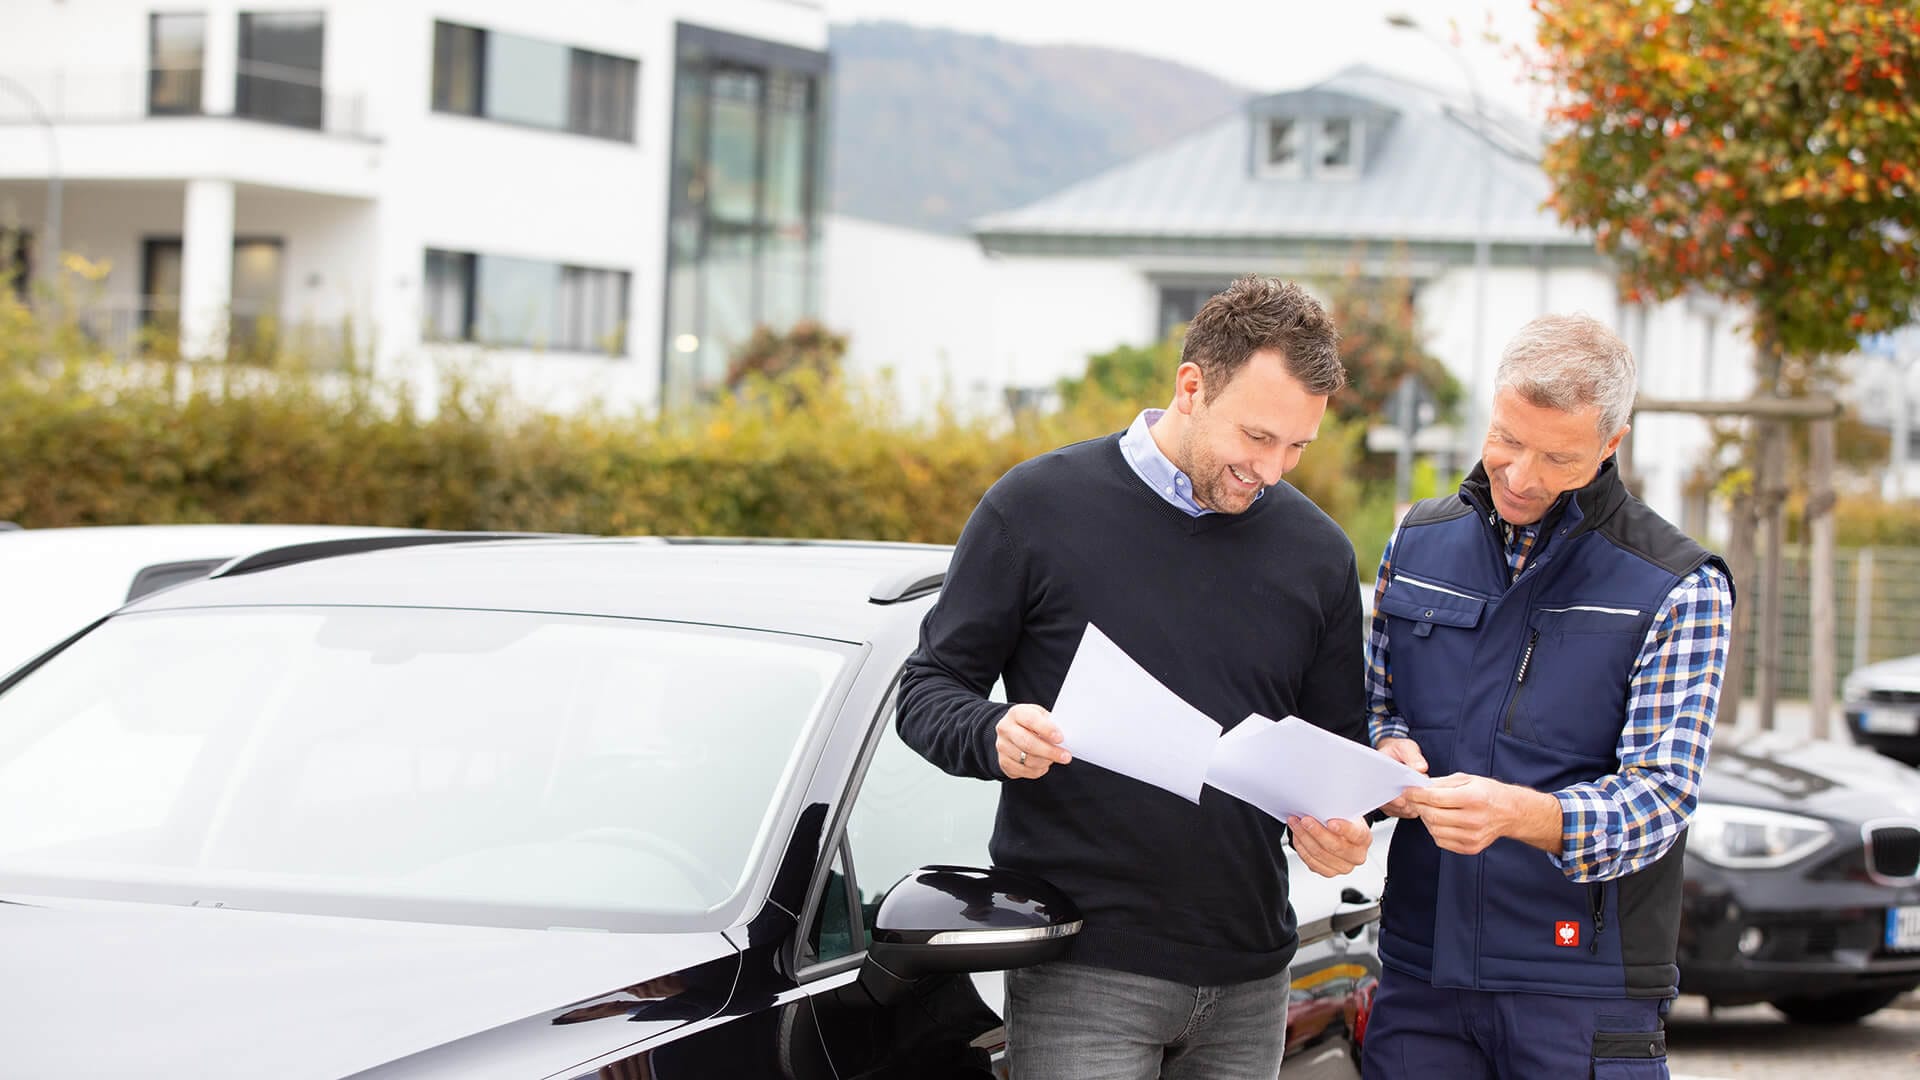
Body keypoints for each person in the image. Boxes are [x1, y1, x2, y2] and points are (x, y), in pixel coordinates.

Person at [898, 274, 1374, 1080]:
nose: (1273, 468)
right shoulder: (1034, 510)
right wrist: (994, 733)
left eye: (1298, 447)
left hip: (1253, 978)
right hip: (1085, 973)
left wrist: (1339, 831)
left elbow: (1337, 749)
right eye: (1257, 437)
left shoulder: (1320, 555)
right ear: (1192, 386)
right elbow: (928, 689)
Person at [1360, 314, 1734, 1079]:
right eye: (1506, 439)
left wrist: (1527, 816)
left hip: (1582, 994)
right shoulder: (1417, 543)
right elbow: (1377, 703)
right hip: (1420, 979)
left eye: (1558, 456)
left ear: (1610, 445)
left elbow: (1660, 799)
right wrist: (1384, 750)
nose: (1521, 475)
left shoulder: (1677, 584)